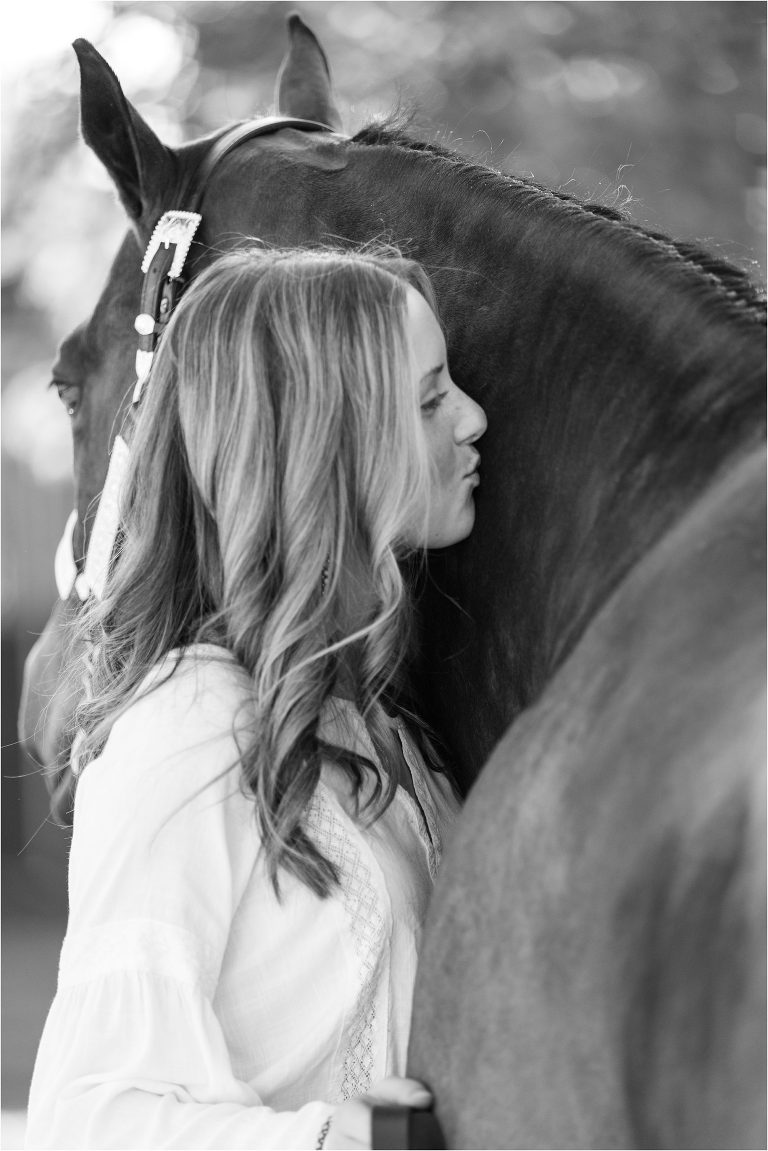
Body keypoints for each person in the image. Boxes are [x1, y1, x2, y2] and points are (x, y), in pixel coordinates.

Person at [25, 246, 486, 1150]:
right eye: (429, 399)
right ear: (324, 442)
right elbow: (84, 1119)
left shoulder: (370, 716)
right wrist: (334, 1140)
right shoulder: (187, 730)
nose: (472, 418)